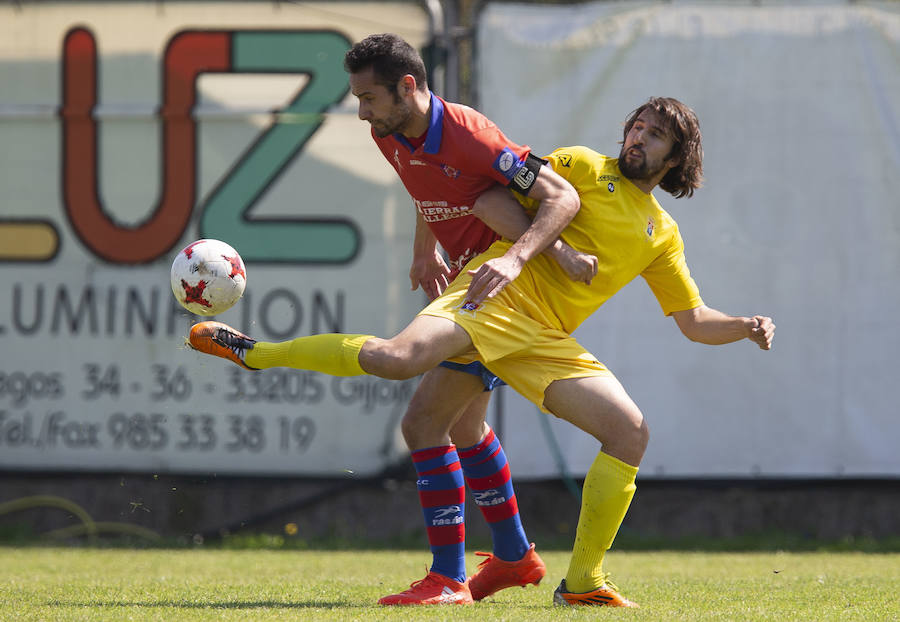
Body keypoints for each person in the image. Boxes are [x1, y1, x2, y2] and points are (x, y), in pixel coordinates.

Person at [188, 96, 776, 608]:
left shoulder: (662, 232)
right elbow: (478, 192)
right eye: (636, 126)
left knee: (627, 433)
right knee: (402, 368)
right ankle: (260, 353)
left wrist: (744, 326)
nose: (637, 138)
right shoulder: (581, 166)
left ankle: (579, 582)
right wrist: (517, 252)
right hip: (493, 295)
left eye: (654, 135)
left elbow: (694, 322)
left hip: (542, 338)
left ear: (676, 158)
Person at [338, 33, 597, 605]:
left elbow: (562, 198)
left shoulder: (472, 136)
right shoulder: (394, 134)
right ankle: (514, 555)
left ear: (408, 87)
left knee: (421, 425)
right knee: (464, 428)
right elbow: (427, 186)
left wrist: (513, 257)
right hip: (469, 287)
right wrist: (422, 249)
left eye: (369, 98)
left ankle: (448, 577)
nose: (362, 112)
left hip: (502, 296)